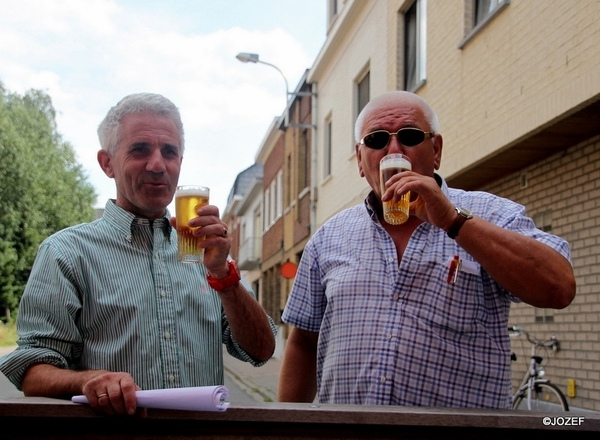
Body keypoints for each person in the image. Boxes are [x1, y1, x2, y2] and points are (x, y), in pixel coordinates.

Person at [277, 91, 575, 408]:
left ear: (436, 150)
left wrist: (452, 220)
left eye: (409, 135)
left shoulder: (491, 214)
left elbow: (558, 287)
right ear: (361, 161)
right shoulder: (328, 237)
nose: (394, 150)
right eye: (377, 140)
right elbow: (305, 341)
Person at [0, 93, 276, 416]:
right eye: (140, 149)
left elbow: (261, 351)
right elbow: (33, 371)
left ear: (180, 164)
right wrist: (90, 381)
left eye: (169, 152)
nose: (158, 164)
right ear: (107, 163)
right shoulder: (67, 253)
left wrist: (224, 279)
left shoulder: (207, 255)